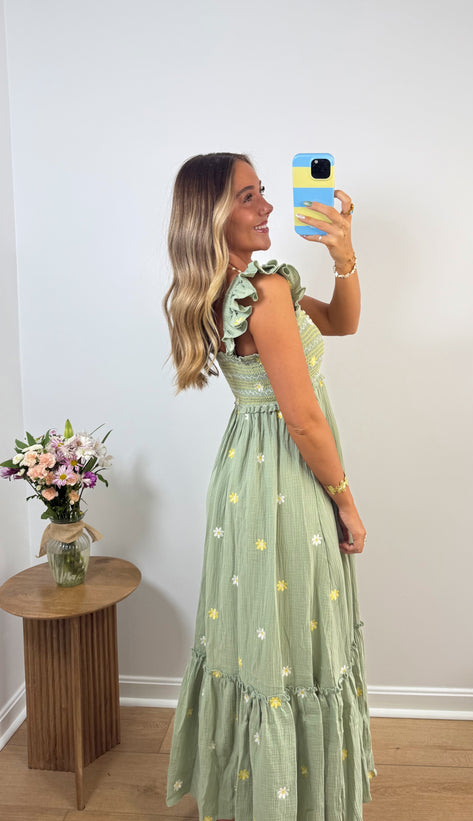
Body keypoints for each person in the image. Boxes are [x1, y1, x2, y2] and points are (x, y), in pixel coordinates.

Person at [164, 153, 376, 821]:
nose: (267, 206)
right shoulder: (265, 290)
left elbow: (340, 321)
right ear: (211, 216)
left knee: (260, 632)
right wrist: (346, 501)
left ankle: (257, 791)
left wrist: (343, 255)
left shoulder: (226, 287)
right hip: (288, 475)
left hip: (242, 476)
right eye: (247, 197)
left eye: (262, 192)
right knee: (296, 634)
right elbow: (303, 417)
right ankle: (297, 800)